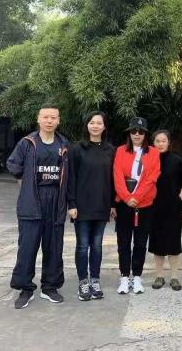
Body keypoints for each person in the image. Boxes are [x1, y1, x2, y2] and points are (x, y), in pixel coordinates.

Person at [7, 103, 69, 309]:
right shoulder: (27, 143)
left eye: (53, 117)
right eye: (45, 117)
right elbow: (13, 164)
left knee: (54, 246)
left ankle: (50, 286)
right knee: (27, 247)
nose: (49, 121)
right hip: (32, 199)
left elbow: (70, 174)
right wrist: (23, 178)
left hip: (56, 199)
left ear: (58, 120)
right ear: (38, 119)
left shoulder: (64, 144)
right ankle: (25, 288)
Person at [67, 111, 115, 301]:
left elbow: (113, 180)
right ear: (87, 125)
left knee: (97, 246)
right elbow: (71, 177)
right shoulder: (77, 149)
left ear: (104, 126)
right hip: (81, 206)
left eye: (99, 123)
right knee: (82, 246)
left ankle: (95, 280)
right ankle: (83, 282)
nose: (95, 126)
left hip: (102, 204)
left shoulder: (110, 150)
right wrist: (71, 203)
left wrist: (113, 204)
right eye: (92, 122)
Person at [112, 117, 160, 295]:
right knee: (123, 242)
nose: (137, 135)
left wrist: (137, 198)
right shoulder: (120, 151)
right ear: (129, 134)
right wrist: (127, 198)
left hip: (145, 204)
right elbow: (117, 176)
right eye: (133, 131)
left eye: (140, 132)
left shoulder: (153, 152)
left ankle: (137, 276)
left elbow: (152, 177)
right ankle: (124, 277)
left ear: (145, 134)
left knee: (140, 243)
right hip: (124, 204)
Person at [149, 130, 182, 291]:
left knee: (173, 243)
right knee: (157, 243)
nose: (160, 144)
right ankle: (159, 276)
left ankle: (174, 277)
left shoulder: (176, 161)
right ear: (153, 143)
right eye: (157, 141)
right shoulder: (148, 160)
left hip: (173, 208)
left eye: (163, 141)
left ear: (168, 142)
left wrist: (179, 198)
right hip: (153, 208)